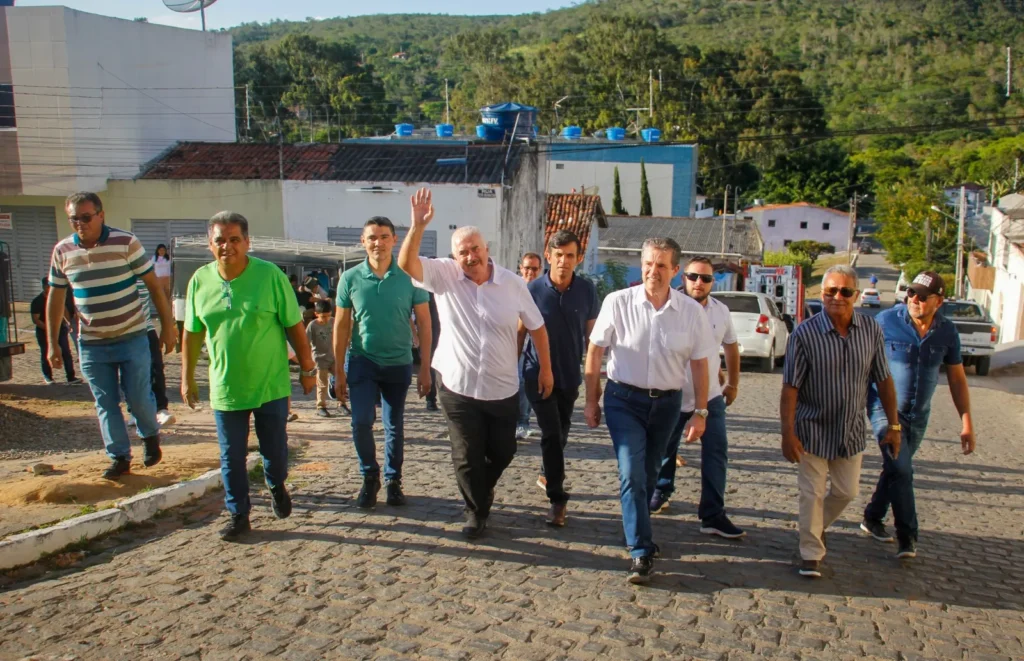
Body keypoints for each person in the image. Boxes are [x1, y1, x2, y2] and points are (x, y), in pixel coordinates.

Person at [398, 187, 554, 539]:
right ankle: (476, 511)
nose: (470, 257)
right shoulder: (444, 275)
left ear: (487, 249)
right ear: (454, 257)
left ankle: (481, 489)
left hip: (502, 387)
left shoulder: (513, 284)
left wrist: (546, 369)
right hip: (457, 384)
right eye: (462, 252)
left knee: (504, 451)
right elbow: (406, 264)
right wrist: (417, 226)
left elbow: (537, 327)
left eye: (475, 249)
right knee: (467, 454)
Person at [584, 238, 716, 584]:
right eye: (647, 263)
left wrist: (701, 411)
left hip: (667, 405)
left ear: (675, 270)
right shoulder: (618, 302)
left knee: (649, 472)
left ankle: (637, 529)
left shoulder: (690, 313)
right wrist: (591, 399)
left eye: (660, 265)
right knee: (631, 472)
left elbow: (700, 364)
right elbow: (595, 351)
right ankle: (640, 550)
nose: (652, 271)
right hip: (623, 400)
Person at [181, 211, 316, 540]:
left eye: (234, 239)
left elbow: (294, 327)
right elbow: (192, 333)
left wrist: (308, 368)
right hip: (226, 386)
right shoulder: (199, 280)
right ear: (210, 244)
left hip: (270, 385)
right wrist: (187, 377)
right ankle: (238, 514)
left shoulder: (270, 276)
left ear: (247, 242)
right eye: (219, 240)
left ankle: (276, 483)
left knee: (275, 451)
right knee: (231, 456)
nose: (227, 246)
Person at [781, 264, 901, 579]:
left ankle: (814, 528)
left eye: (845, 291)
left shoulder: (871, 330)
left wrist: (894, 425)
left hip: (850, 430)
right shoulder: (804, 334)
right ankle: (810, 553)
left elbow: (884, 380)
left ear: (856, 296)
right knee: (811, 494)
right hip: (811, 428)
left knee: (847, 492)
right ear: (822, 294)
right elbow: (790, 387)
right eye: (831, 291)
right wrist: (787, 433)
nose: (838, 297)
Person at [46, 192, 175, 480]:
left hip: (131, 336)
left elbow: (154, 286)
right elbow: (56, 296)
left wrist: (168, 326)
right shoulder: (63, 251)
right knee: (105, 402)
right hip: (91, 343)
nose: (80, 224)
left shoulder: (125, 243)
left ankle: (149, 435)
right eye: (74, 219)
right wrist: (53, 343)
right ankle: (119, 457)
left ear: (101, 215)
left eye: (86, 217)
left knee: (139, 396)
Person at [860, 271, 975, 559]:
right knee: (902, 470)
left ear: (939, 301)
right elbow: (860, 362)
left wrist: (966, 422)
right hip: (884, 409)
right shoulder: (886, 321)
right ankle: (907, 535)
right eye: (911, 293)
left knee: (896, 469)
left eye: (922, 297)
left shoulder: (947, 332)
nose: (914, 299)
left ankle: (872, 517)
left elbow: (957, 378)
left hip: (918, 415)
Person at [334, 215, 432, 509]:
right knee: (361, 421)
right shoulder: (350, 278)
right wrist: (338, 370)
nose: (378, 243)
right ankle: (369, 476)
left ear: (394, 240)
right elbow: (341, 325)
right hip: (362, 360)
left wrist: (426, 368)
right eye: (372, 238)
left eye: (384, 237)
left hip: (399, 362)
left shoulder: (410, 276)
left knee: (394, 425)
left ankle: (393, 480)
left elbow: (425, 322)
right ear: (363, 242)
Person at [651, 256, 744, 538]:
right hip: (672, 394)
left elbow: (731, 346)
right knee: (664, 450)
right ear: (683, 278)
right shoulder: (668, 307)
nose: (698, 283)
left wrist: (733, 383)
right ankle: (661, 490)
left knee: (716, 452)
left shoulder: (721, 311)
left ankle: (713, 514)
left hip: (710, 396)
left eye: (705, 278)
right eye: (693, 277)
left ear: (713, 282)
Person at [521, 231, 598, 526]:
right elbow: (519, 332)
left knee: (561, 432)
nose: (563, 261)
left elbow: (592, 339)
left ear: (578, 258)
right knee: (551, 432)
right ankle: (557, 498)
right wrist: (510, 371)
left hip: (569, 375)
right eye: (558, 255)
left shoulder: (587, 291)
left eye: (569, 256)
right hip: (536, 373)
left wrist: (594, 380)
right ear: (548, 255)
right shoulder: (532, 290)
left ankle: (547, 471)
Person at [134, 280, 175, 427]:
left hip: (146, 327)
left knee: (156, 367)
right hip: (124, 332)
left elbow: (159, 292)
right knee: (133, 372)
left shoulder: (144, 271)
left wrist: (168, 327)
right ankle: (135, 411)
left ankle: (160, 408)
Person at [30, 278, 78, 385]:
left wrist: (68, 323)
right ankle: (48, 377)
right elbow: (36, 319)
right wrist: (50, 329)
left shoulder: (57, 298)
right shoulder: (37, 301)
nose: (50, 289)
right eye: (48, 287)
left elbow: (64, 310)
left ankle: (71, 377)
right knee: (46, 352)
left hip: (60, 329)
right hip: (43, 331)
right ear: (44, 287)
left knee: (66, 352)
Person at [516, 252, 542, 440]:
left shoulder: (541, 290)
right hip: (514, 342)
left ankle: (523, 422)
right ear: (521, 268)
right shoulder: (513, 287)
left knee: (527, 384)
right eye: (527, 268)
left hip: (533, 345)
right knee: (518, 382)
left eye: (534, 268)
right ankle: (516, 422)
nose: (530, 272)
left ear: (539, 270)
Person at [307, 299, 336, 418]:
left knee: (341, 379)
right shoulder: (312, 325)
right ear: (316, 314)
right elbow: (306, 342)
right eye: (323, 316)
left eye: (328, 316)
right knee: (322, 383)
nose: (326, 319)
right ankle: (321, 406)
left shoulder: (333, 321)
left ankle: (342, 402)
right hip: (319, 358)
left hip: (333, 356)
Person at [423, 291, 442, 412]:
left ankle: (432, 399)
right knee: (430, 360)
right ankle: (430, 399)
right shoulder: (427, 292)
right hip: (432, 328)